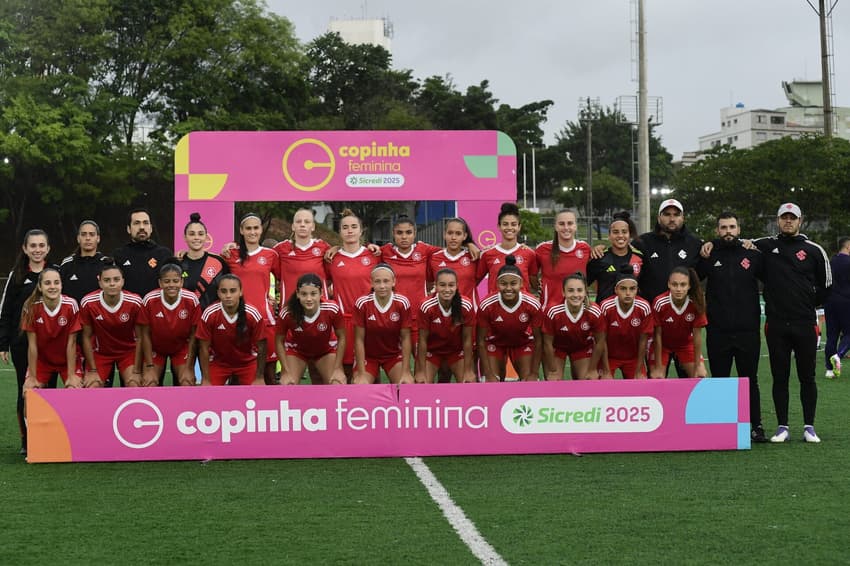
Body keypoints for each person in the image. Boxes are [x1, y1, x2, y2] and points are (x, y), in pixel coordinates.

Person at [753, 203, 831, 443]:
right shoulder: (765, 245)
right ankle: (782, 427)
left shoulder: (814, 250)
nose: (788, 221)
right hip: (776, 324)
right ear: (777, 220)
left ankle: (809, 427)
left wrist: (808, 303)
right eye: (784, 218)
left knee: (807, 376)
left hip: (805, 323)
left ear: (800, 221)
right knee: (780, 377)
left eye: (792, 218)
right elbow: (740, 245)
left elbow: (827, 285)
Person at [697, 211, 767, 442]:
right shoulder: (708, 255)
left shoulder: (752, 254)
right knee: (720, 380)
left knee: (750, 379)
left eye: (732, 227)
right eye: (724, 227)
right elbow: (690, 278)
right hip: (718, 331)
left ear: (739, 229)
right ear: (717, 230)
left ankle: (756, 426)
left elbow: (773, 279)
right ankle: (721, 427)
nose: (728, 231)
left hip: (748, 330)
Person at [0, 229, 51, 454]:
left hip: (50, 343)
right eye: (33, 246)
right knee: (25, 389)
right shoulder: (17, 275)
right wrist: (3, 343)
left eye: (41, 245)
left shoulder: (54, 273)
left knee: (49, 390)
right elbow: (6, 310)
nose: (37, 250)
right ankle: (26, 440)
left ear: (48, 248)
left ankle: (49, 436)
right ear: (25, 248)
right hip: (22, 343)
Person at [325, 208, 382, 380]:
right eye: (345, 227)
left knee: (372, 368)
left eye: (354, 226)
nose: (350, 230)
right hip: (343, 321)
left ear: (361, 230)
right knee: (346, 369)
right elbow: (325, 283)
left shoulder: (374, 255)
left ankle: (375, 406)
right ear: (340, 231)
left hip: (370, 320)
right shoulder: (331, 258)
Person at [224, 212, 279, 384]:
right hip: (237, 320)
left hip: (265, 320)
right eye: (248, 228)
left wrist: (276, 299)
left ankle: (273, 410)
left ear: (261, 230)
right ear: (241, 230)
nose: (252, 232)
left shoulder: (271, 255)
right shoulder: (230, 255)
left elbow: (284, 278)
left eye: (256, 228)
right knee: (237, 375)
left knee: (269, 374)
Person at [477, 256, 542, 382]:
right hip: (495, 344)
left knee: (529, 383)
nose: (508, 288)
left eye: (513, 283)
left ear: (521, 284)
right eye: (503, 284)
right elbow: (481, 340)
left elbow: (539, 340)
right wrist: (488, 373)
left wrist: (534, 373)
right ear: (497, 284)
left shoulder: (532, 304)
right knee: (490, 383)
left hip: (522, 344)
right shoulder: (487, 305)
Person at [80, 263, 144, 387]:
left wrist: (136, 371)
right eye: (107, 280)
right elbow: (86, 337)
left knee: (134, 384)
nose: (112, 283)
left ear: (123, 281)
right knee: (92, 385)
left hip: (128, 352)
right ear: (100, 283)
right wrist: (92, 371)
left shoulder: (135, 302)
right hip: (101, 353)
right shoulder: (88, 303)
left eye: (116, 279)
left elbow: (140, 337)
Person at [276, 273, 347, 385]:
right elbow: (279, 341)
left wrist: (338, 368)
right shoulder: (288, 313)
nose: (309, 299)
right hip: (297, 351)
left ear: (321, 294)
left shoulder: (331, 309)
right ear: (298, 294)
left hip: (325, 351)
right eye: (304, 294)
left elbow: (342, 337)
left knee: (337, 383)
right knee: (287, 385)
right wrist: (285, 371)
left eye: (313, 294)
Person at [196, 274, 266, 386]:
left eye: (233, 291)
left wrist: (259, 377)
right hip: (219, 363)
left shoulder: (252, 314)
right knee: (208, 395)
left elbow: (262, 346)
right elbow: (204, 348)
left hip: (247, 363)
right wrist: (206, 379)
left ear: (241, 292)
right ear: (218, 293)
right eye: (223, 291)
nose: (228, 295)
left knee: (257, 393)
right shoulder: (210, 314)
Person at [139, 263, 200, 386]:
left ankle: (182, 405)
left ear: (181, 282)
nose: (171, 285)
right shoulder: (149, 299)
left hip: (181, 348)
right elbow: (144, 334)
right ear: (160, 283)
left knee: (186, 381)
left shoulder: (191, 299)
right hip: (156, 348)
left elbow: (194, 335)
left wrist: (189, 366)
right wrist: (150, 366)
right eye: (167, 281)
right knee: (149, 381)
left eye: (175, 281)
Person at [21, 268, 82, 391]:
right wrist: (32, 377)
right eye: (47, 283)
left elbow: (72, 343)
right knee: (29, 392)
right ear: (39, 287)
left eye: (56, 282)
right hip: (43, 361)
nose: (52, 286)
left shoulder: (71, 305)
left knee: (74, 390)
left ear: (61, 285)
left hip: (68, 361)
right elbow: (32, 345)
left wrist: (71, 376)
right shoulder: (31, 307)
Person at [352, 264, 414, 384]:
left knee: (406, 385)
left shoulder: (402, 303)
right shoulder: (362, 303)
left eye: (386, 281)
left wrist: (406, 371)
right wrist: (360, 373)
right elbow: (359, 339)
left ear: (394, 282)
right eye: (377, 281)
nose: (382, 286)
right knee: (359, 385)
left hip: (393, 355)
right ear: (371, 283)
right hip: (368, 357)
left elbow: (406, 337)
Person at [633, 199, 703, 303]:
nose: (672, 219)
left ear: (683, 218)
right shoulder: (642, 242)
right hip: (652, 308)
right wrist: (600, 249)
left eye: (676, 215)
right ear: (659, 218)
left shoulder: (695, 244)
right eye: (667, 214)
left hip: (684, 310)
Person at [414, 268, 476, 383]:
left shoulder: (466, 305)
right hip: (432, 353)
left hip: (456, 353)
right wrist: (421, 371)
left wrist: (468, 370)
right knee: (421, 383)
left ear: (457, 286)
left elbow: (467, 339)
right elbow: (422, 340)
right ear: (436, 286)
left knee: (468, 382)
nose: (447, 289)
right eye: (442, 285)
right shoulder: (426, 306)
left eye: (451, 285)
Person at [542, 273, 606, 380]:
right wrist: (553, 371)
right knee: (554, 381)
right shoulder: (553, 311)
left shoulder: (594, 311)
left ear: (585, 291)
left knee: (587, 380)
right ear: (563, 292)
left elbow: (600, 341)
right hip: (558, 349)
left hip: (582, 348)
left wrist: (592, 369)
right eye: (570, 290)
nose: (576, 294)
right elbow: (547, 343)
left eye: (580, 290)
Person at [649, 267, 708, 379]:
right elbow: (657, 335)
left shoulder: (696, 302)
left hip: (685, 344)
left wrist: (698, 365)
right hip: (663, 346)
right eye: (674, 284)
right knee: (657, 377)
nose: (678, 289)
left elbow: (697, 336)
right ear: (669, 285)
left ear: (689, 286)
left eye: (683, 285)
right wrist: (657, 366)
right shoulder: (659, 302)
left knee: (700, 376)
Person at [597, 270, 653, 379]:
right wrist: (606, 370)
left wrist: (638, 369)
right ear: (616, 290)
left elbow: (643, 340)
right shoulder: (605, 307)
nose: (628, 293)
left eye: (632, 289)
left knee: (639, 387)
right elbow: (601, 339)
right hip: (609, 357)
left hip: (633, 358)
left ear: (637, 290)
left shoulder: (644, 307)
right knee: (603, 387)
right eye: (623, 289)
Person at [477, 202, 539, 295]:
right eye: (505, 224)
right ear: (499, 226)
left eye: (513, 224)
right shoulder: (488, 254)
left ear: (519, 227)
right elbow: (473, 281)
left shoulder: (529, 254)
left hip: (522, 307)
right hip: (495, 307)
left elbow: (535, 285)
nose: (509, 228)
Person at [535, 209, 591, 308]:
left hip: (578, 311)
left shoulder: (585, 248)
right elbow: (531, 274)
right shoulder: (542, 249)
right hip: (549, 311)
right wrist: (538, 288)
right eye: (561, 224)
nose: (566, 227)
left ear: (575, 226)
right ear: (556, 226)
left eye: (570, 223)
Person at [272, 208, 332, 301]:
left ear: (313, 227)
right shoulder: (280, 249)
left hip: (320, 308)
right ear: (293, 226)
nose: (302, 225)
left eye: (307, 222)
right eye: (298, 221)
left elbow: (334, 275)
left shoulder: (324, 248)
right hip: (290, 309)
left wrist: (337, 248)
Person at [112, 208, 173, 297]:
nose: (141, 227)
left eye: (145, 223)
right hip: (129, 309)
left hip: (156, 309)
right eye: (137, 223)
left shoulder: (164, 254)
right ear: (129, 229)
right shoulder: (119, 255)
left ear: (151, 228)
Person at [586, 211, 643, 303]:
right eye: (615, 232)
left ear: (629, 235)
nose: (620, 235)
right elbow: (584, 283)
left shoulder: (639, 257)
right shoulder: (599, 257)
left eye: (624, 232)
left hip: (630, 314)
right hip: (604, 313)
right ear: (609, 236)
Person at [428, 217, 481, 309]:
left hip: (469, 312)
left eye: (458, 234)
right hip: (441, 313)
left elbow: (477, 280)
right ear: (444, 234)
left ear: (464, 236)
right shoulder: (434, 258)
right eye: (450, 233)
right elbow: (428, 284)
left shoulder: (474, 256)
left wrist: (470, 244)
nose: (453, 237)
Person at [181, 212, 229, 309]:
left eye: (200, 234)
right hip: (184, 319)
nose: (196, 238)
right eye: (191, 234)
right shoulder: (178, 262)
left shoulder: (218, 262)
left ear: (206, 237)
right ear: (185, 237)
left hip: (213, 320)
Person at [59, 220, 110, 304]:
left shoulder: (107, 263)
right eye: (83, 234)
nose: (87, 238)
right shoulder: (67, 264)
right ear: (78, 238)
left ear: (98, 238)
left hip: (99, 316)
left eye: (92, 234)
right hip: (74, 315)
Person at [824, 236, 850, 378]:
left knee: (831, 336)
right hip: (846, 302)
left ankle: (829, 370)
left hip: (830, 302)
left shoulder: (830, 261)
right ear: (848, 247)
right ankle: (839, 356)